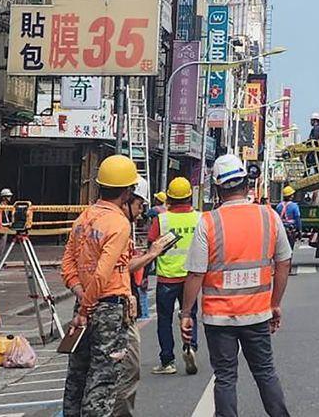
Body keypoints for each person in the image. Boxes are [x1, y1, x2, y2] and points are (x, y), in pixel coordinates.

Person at [181, 154, 292, 417]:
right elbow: (284, 262)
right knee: (265, 372)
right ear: (246, 184)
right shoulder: (269, 216)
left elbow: (196, 274)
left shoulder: (208, 222)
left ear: (218, 189)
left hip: (219, 319)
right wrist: (274, 303)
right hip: (256, 314)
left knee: (226, 378)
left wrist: (187, 313)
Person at [60, 154, 140, 417]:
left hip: (84, 303)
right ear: (128, 191)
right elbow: (103, 273)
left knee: (77, 376)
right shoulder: (118, 223)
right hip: (106, 308)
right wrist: (87, 308)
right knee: (103, 377)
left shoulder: (84, 218)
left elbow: (68, 264)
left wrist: (80, 297)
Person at [112, 177, 177, 417]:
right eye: (140, 206)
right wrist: (153, 254)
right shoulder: (118, 225)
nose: (141, 214)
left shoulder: (90, 219)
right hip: (113, 308)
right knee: (127, 370)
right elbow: (119, 266)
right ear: (128, 197)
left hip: (106, 305)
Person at [149, 176, 201, 376]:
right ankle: (190, 347)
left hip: (167, 278)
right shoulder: (199, 218)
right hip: (191, 279)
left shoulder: (161, 219)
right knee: (190, 315)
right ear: (190, 197)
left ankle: (167, 360)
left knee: (164, 319)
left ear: (169, 199)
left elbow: (152, 244)